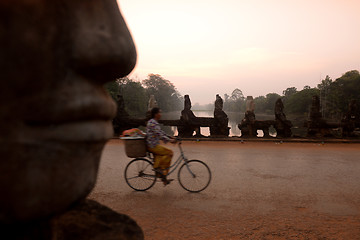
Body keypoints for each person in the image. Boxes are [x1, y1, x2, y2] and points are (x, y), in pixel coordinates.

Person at [146, 107, 177, 185]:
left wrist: (170, 137)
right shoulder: (152, 123)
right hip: (153, 146)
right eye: (160, 113)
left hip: (154, 145)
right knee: (169, 153)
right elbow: (159, 134)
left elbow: (161, 132)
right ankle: (161, 170)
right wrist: (170, 141)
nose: (161, 114)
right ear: (156, 114)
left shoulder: (154, 122)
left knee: (162, 156)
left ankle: (163, 177)